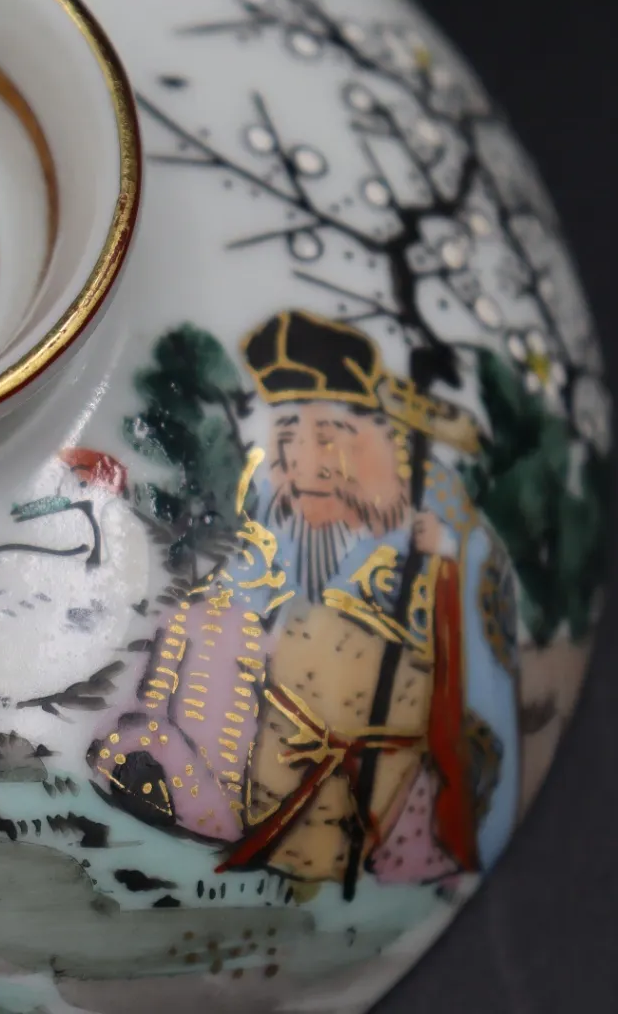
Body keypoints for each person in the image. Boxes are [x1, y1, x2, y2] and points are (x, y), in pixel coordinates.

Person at [89, 311, 520, 887]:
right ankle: (188, 775)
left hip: (384, 710)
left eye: (326, 438)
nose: (303, 461)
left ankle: (238, 802)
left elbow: (475, 649)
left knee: (289, 647)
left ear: (368, 436)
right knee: (209, 622)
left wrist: (442, 560)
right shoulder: (280, 492)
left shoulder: (437, 510)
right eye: (288, 438)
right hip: (291, 687)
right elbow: (255, 569)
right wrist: (225, 602)